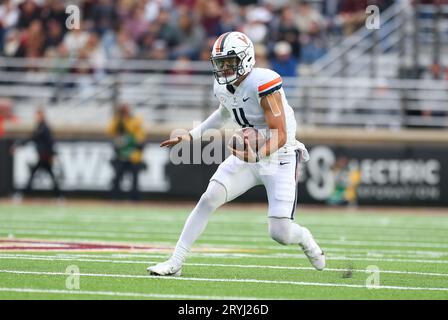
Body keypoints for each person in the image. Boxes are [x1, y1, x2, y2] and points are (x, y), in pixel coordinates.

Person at [147, 31, 325, 276]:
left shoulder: (263, 82)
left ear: (246, 58)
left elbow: (281, 133)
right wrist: (191, 135)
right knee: (209, 198)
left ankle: (304, 237)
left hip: (280, 156)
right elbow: (222, 114)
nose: (224, 68)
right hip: (248, 155)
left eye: (229, 62)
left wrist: (258, 154)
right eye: (220, 63)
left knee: (280, 233)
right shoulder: (224, 87)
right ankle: (175, 262)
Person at [10, 108, 60, 196]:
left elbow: (50, 142)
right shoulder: (39, 127)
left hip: (45, 156)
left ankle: (25, 193)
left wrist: (52, 155)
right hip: (42, 156)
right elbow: (32, 138)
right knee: (44, 175)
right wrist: (18, 145)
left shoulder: (44, 128)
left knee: (37, 174)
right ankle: (59, 195)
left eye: (38, 115)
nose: (36, 117)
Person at [107, 103, 146, 201]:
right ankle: (115, 197)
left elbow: (139, 138)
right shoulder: (118, 121)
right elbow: (110, 131)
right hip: (121, 154)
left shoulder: (135, 120)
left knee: (134, 178)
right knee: (117, 177)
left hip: (133, 155)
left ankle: (134, 199)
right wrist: (118, 119)